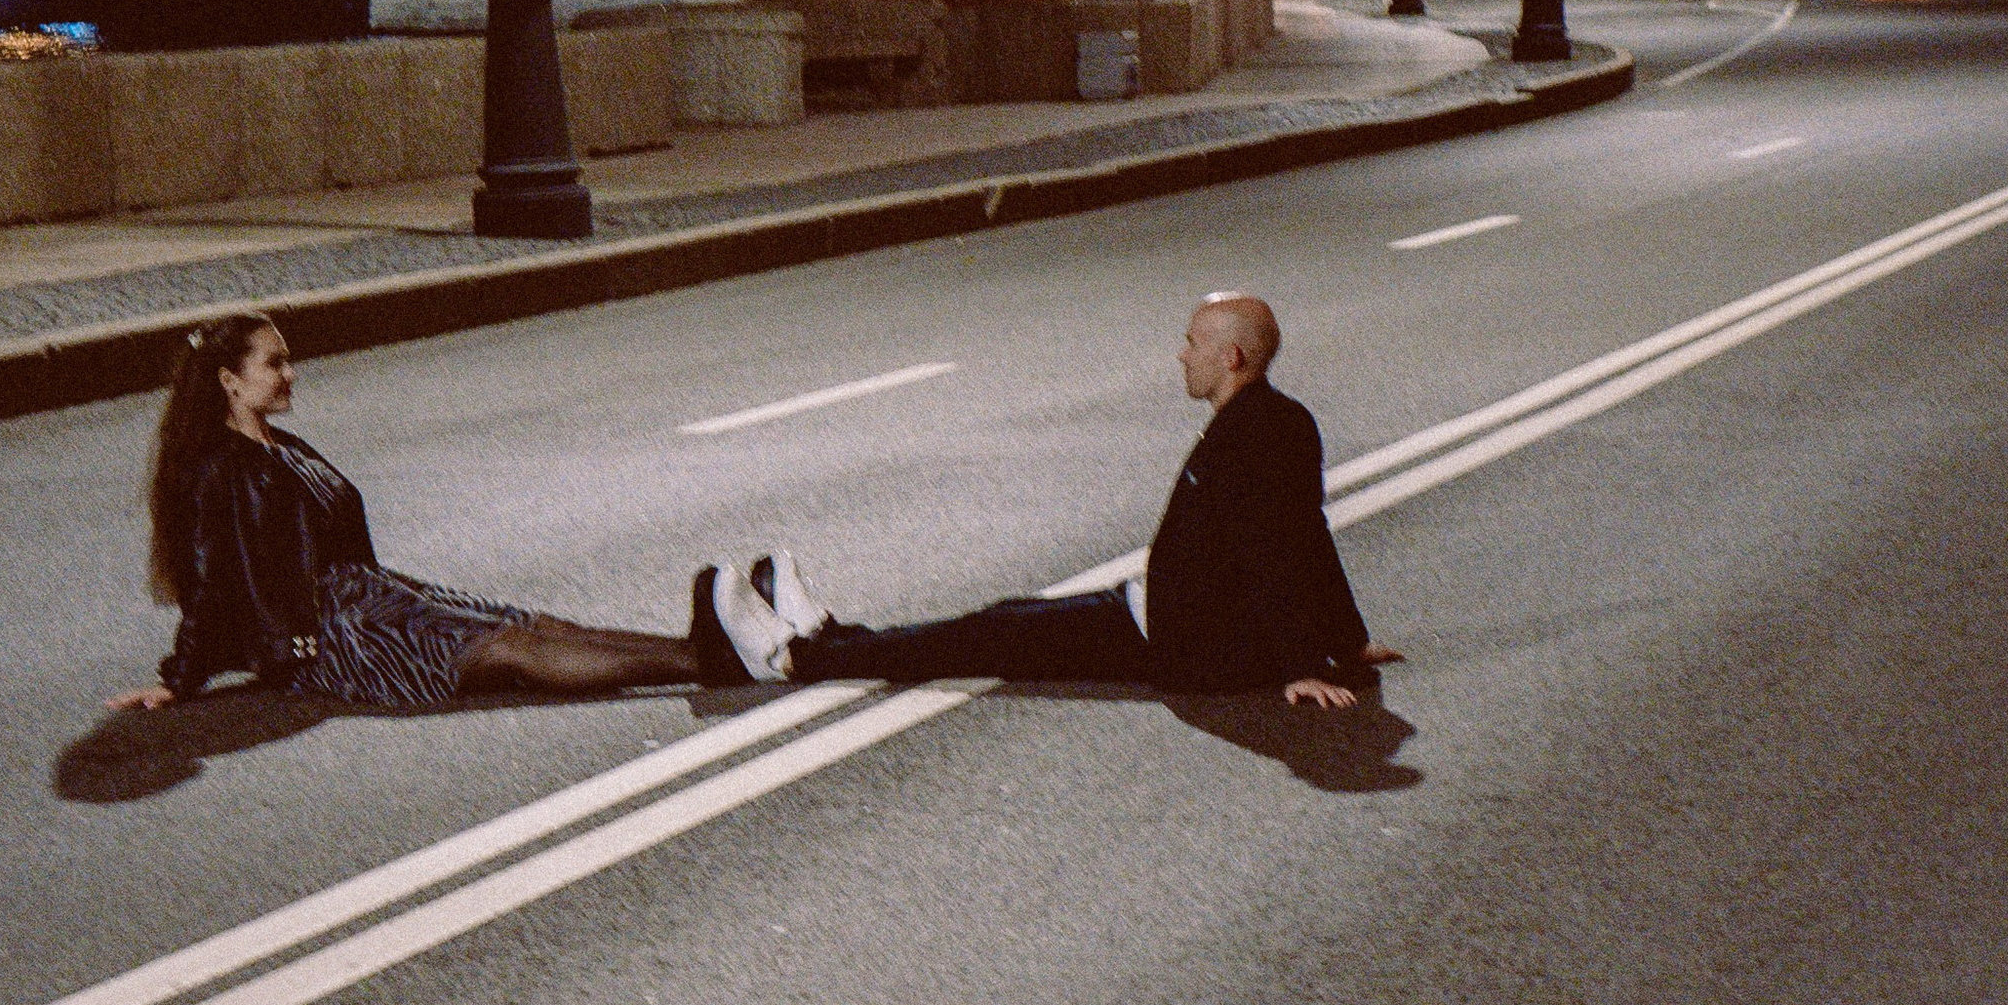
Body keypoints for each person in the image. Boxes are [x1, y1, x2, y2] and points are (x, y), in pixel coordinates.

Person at [717, 291, 1394, 711]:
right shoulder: (1280, 418)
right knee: (999, 624)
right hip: (1153, 614)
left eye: (1194, 344)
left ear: (1233, 358)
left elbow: (1277, 549)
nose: (1181, 355)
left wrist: (1307, 665)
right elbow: (1312, 534)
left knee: (985, 637)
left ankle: (795, 658)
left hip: (1169, 640)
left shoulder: (1257, 434)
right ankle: (826, 636)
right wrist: (1349, 638)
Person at [108, 311, 739, 715]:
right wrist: (180, 679)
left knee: (528, 622)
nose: (291, 374)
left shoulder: (280, 447)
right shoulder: (221, 469)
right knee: (510, 649)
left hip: (370, 597)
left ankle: (698, 648)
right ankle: (705, 661)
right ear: (229, 381)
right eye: (274, 363)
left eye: (287, 359)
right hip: (335, 635)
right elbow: (209, 578)